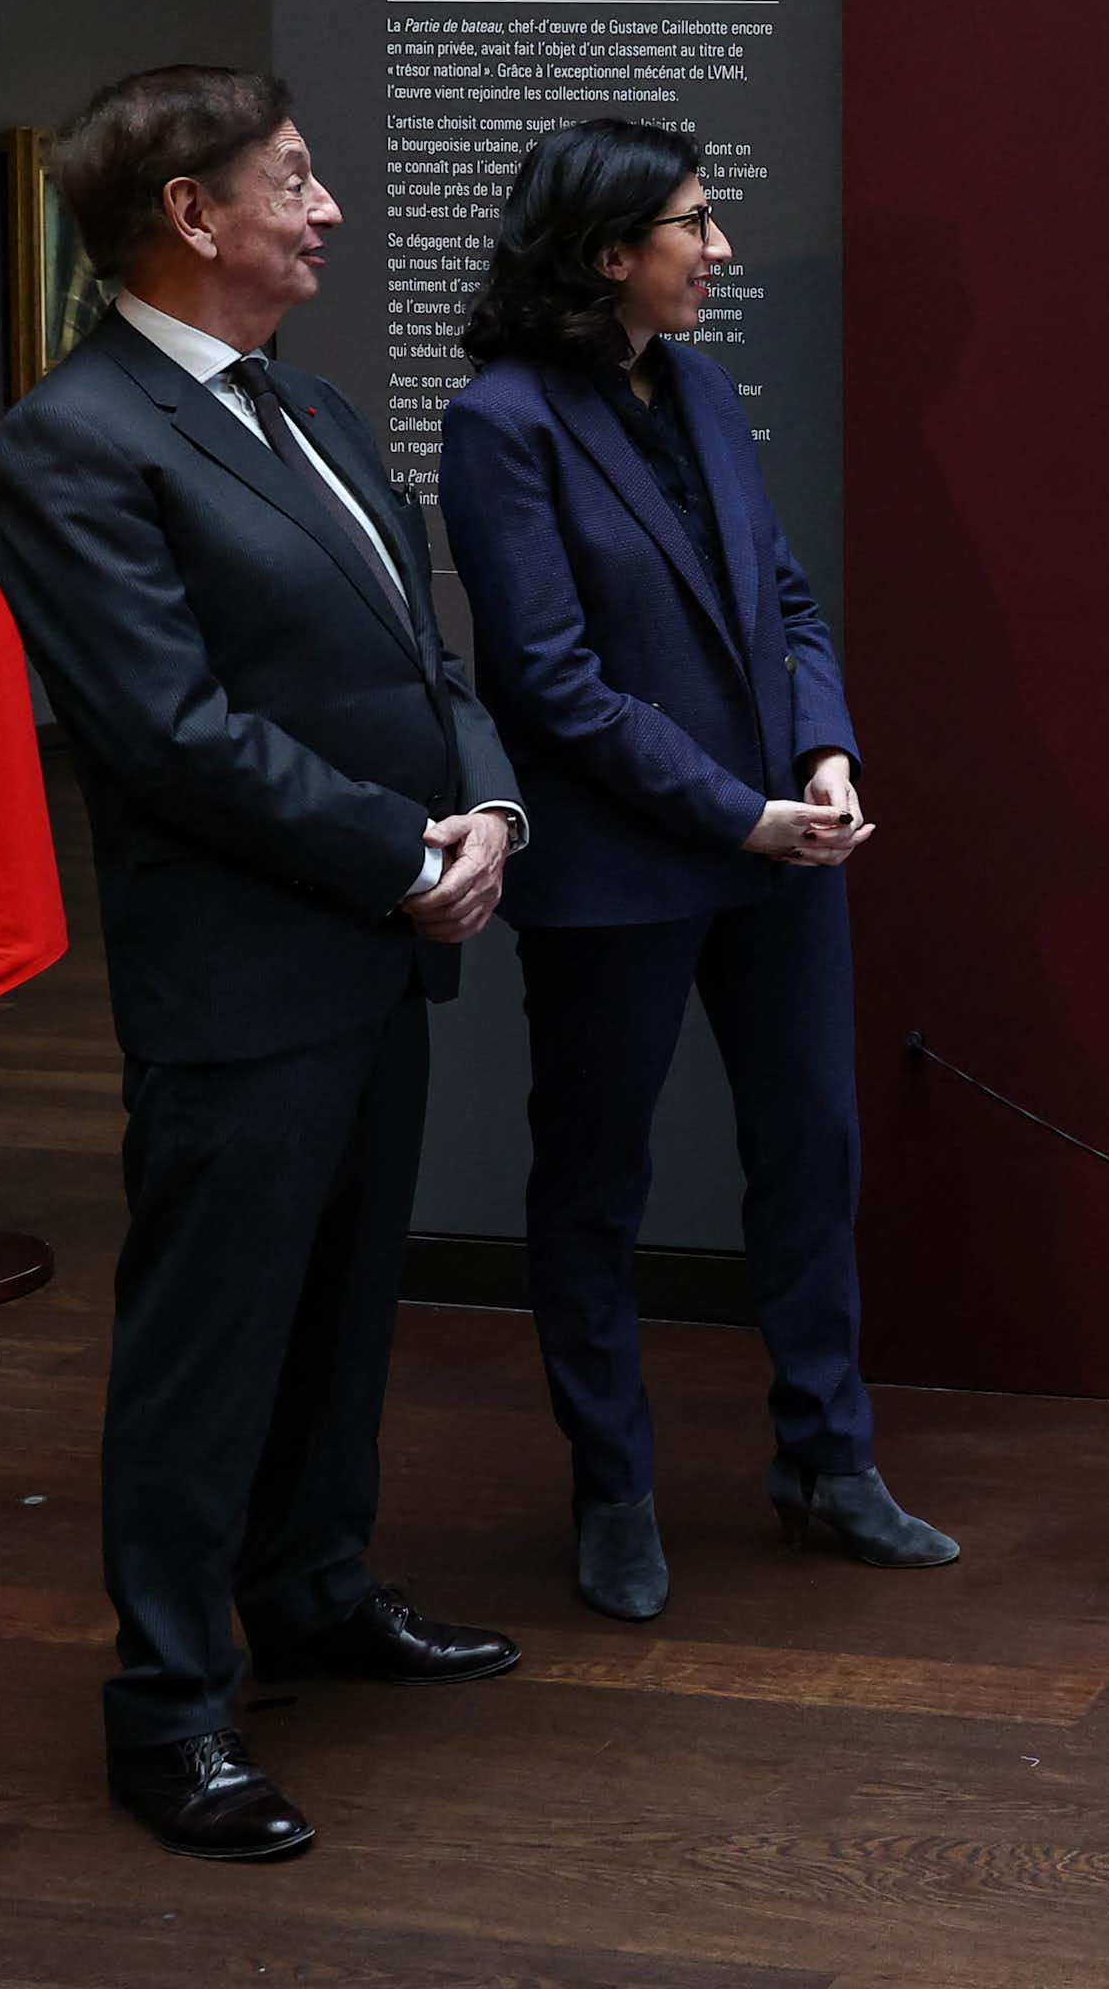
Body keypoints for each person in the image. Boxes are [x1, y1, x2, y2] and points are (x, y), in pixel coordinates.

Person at [0, 67, 526, 1863]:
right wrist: (399, 855)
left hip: (376, 953)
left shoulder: (311, 405)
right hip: (244, 979)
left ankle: (313, 1595)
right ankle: (168, 1712)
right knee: (204, 1354)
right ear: (191, 219)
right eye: (294, 181)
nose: (330, 210)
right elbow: (168, 732)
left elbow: (419, 659)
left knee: (340, 1310)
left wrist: (489, 814)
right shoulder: (76, 440)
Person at [437, 119, 955, 1623]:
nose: (720, 250)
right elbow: (549, 686)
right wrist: (738, 812)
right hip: (627, 870)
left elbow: (785, 599)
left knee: (816, 1151)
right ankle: (612, 1491)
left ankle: (829, 1465)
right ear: (611, 254)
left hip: (783, 844)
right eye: (695, 224)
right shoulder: (502, 423)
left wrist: (826, 755)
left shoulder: (707, 389)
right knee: (595, 1183)